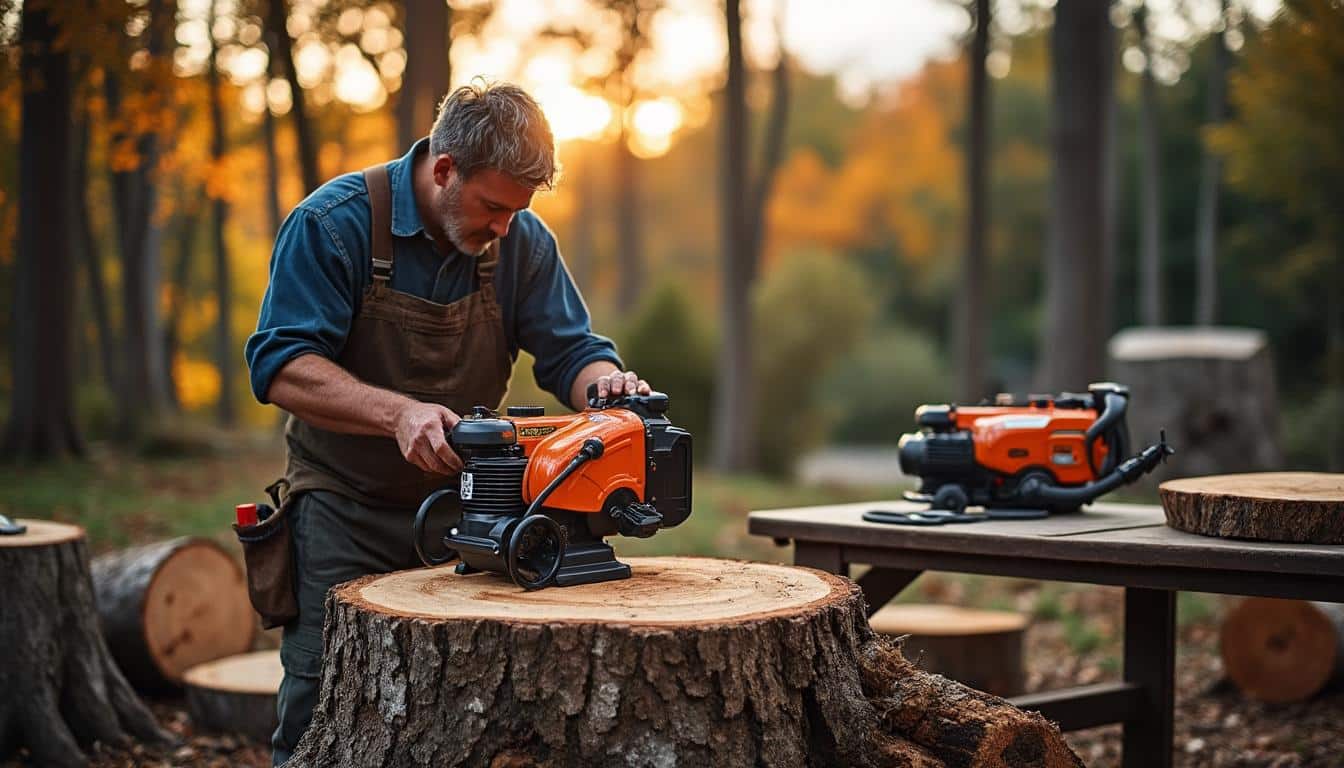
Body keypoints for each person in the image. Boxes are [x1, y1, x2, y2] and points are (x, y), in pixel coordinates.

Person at [244, 79, 651, 765]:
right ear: (443, 170)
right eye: (492, 206)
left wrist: (604, 386)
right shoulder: (334, 224)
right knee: (321, 705)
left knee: (471, 712)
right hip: (346, 509)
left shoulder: (521, 241)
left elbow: (573, 350)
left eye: (516, 212)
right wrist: (395, 413)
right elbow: (281, 365)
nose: (502, 227)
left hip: (481, 519)